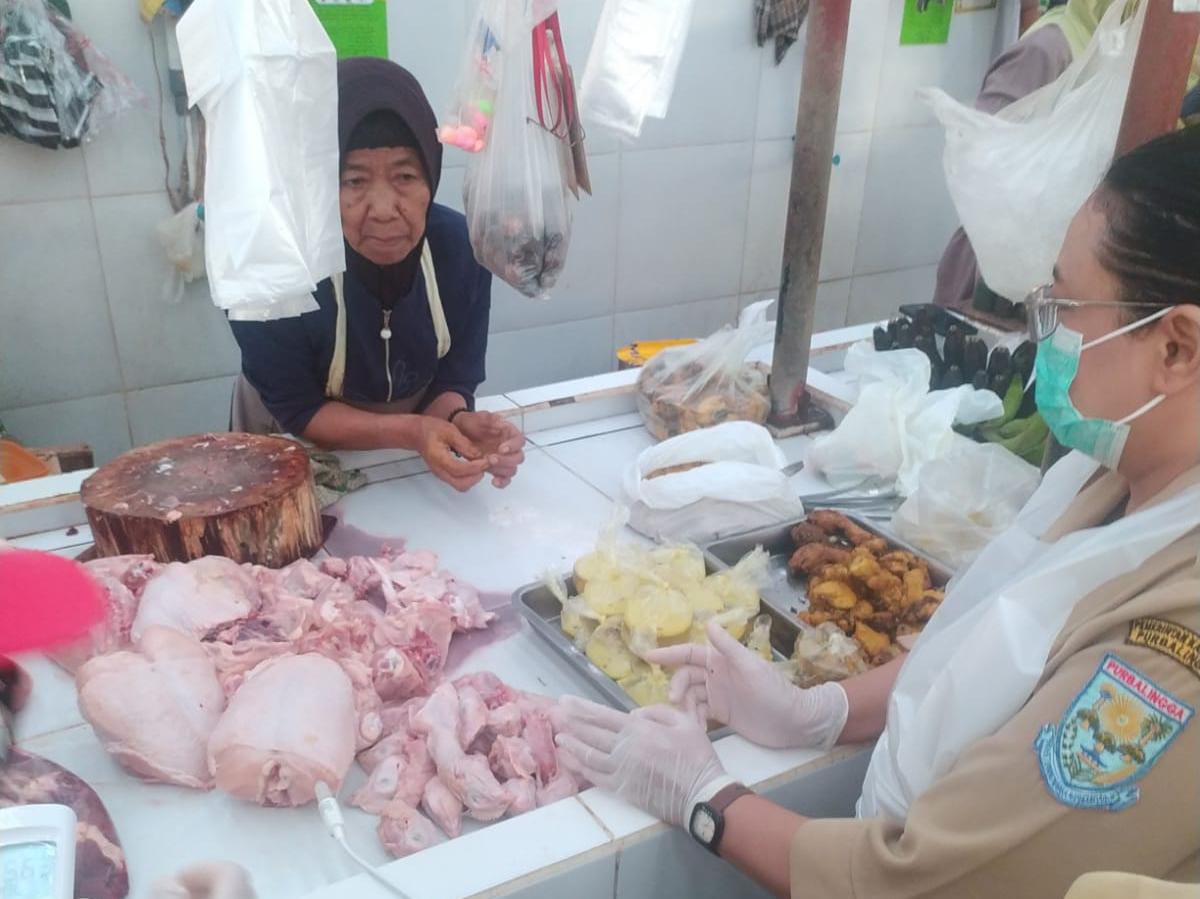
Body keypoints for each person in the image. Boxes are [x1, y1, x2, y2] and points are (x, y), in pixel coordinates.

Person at [558, 127, 1200, 898]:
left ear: (1176, 348)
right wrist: (819, 711)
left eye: (1064, 305)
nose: (1045, 335)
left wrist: (705, 799)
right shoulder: (1114, 475)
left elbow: (928, 881)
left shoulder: (1169, 657)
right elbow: (978, 661)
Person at [229, 58, 525, 492]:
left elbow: (452, 379)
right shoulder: (274, 269)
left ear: (431, 174)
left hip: (406, 446)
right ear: (319, 182)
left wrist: (458, 421)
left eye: (405, 176)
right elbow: (300, 409)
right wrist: (413, 432)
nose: (384, 210)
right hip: (286, 438)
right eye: (354, 180)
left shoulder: (462, 251)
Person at [933, 0, 1120, 320]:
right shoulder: (1047, 51)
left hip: (1067, 283)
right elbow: (981, 165)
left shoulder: (1122, 60)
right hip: (995, 282)